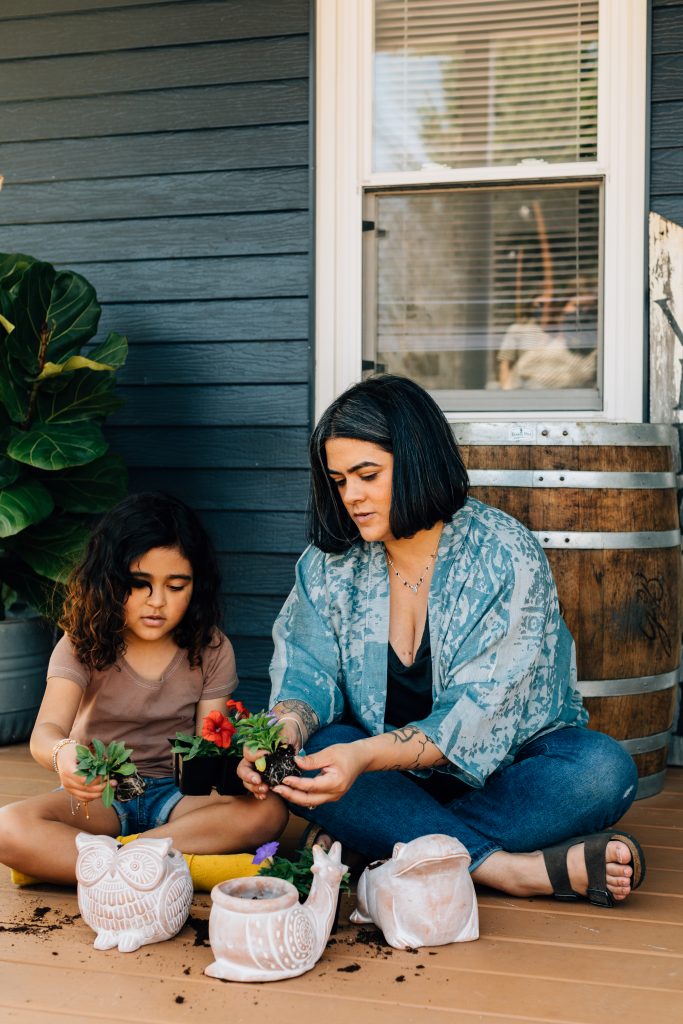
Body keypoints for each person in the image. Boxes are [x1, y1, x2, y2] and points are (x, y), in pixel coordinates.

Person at [239, 375, 645, 907]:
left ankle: (380, 846)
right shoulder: (328, 564)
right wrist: (285, 732)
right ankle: (506, 870)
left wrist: (360, 759)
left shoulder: (503, 553)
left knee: (602, 770)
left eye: (367, 475)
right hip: (384, 776)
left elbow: (477, 717)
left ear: (415, 460)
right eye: (339, 481)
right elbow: (305, 673)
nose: (352, 497)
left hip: (504, 771)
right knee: (308, 756)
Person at [0, 492, 286, 885]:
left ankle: (122, 860)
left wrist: (241, 760)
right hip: (100, 798)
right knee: (7, 826)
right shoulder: (82, 642)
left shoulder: (211, 647)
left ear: (196, 586)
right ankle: (166, 864)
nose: (157, 602)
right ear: (110, 578)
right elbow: (44, 734)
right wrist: (64, 755)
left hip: (179, 796)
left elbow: (209, 746)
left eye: (176, 586)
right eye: (140, 583)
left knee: (269, 814)